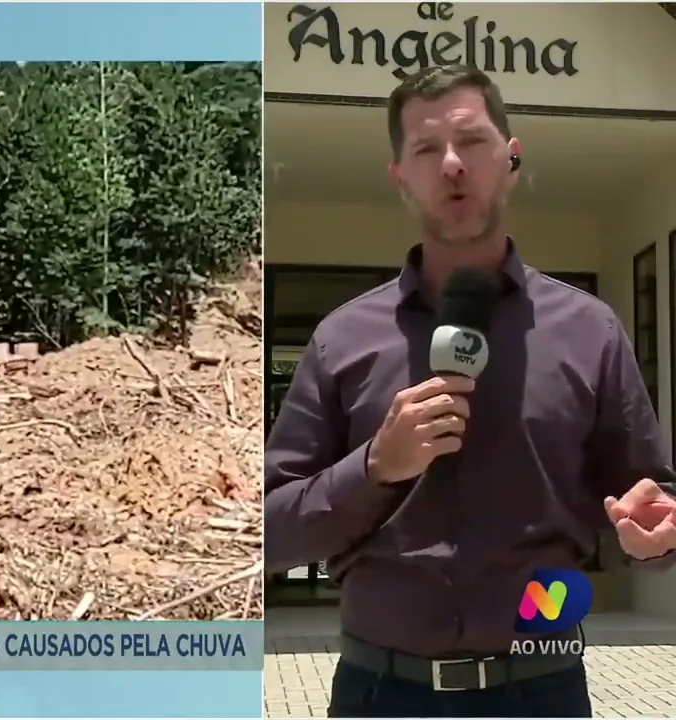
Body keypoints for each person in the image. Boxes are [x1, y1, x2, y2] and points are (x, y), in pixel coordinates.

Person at [264, 64, 676, 718]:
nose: (452, 164)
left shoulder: (590, 330)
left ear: (511, 157)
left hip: (543, 694)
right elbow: (268, 534)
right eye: (426, 149)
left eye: (472, 142)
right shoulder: (341, 339)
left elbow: (649, 501)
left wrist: (658, 537)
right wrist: (375, 466)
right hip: (378, 696)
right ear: (400, 177)